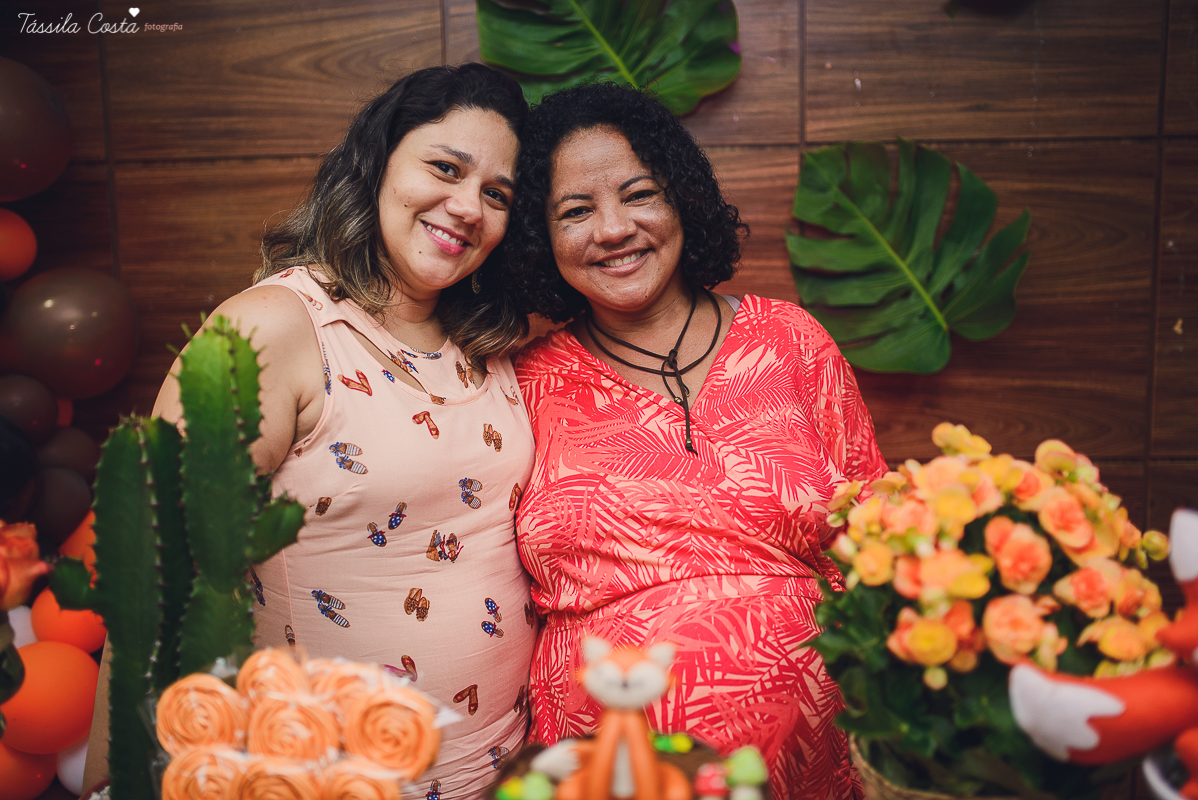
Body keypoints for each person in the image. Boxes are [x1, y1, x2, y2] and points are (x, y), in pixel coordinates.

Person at [85, 63, 537, 799]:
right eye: (444, 168)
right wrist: (118, 782)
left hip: (503, 770)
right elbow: (154, 580)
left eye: (496, 194)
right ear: (378, 161)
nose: (467, 207)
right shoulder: (276, 326)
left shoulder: (486, 340)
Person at [501, 83, 888, 800]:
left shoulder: (791, 340)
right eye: (576, 211)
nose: (614, 229)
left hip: (816, 762)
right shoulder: (519, 385)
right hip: (604, 768)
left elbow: (879, 541)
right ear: (540, 238)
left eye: (639, 194)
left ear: (681, 199)